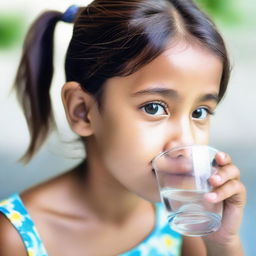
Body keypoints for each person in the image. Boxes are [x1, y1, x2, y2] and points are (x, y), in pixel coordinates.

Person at [0, 0, 246, 255]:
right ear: (82, 111)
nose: (185, 142)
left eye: (199, 112)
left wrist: (222, 244)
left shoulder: (184, 221)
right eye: (153, 108)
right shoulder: (14, 238)